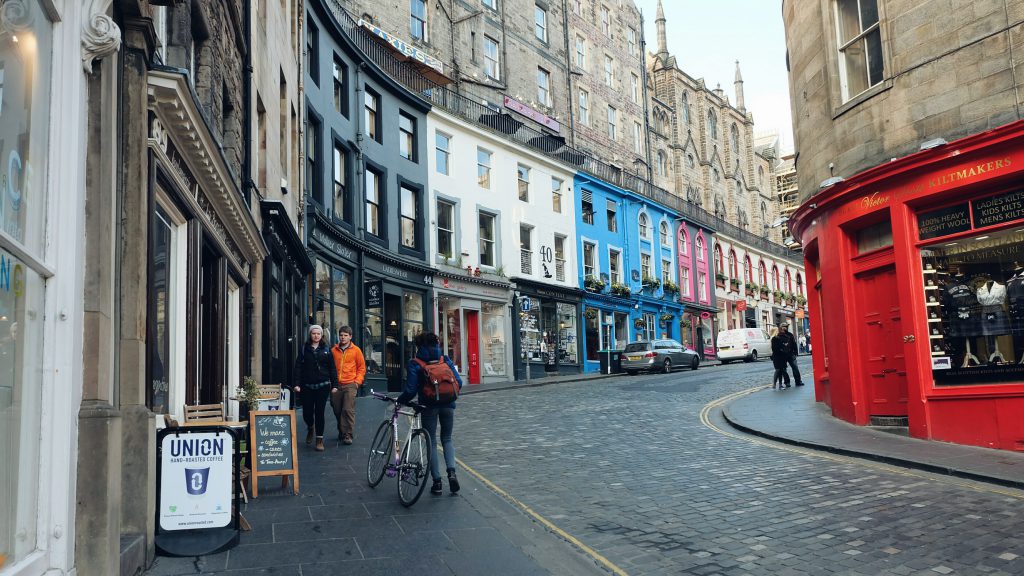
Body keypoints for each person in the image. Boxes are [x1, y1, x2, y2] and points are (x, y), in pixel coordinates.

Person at [399, 332, 463, 496]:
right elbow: (459, 382)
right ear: (436, 344)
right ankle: (452, 473)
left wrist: (401, 401)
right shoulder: (444, 359)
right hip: (448, 404)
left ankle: (437, 482)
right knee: (447, 439)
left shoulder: (415, 363)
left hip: (429, 406)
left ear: (418, 346)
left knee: (431, 442)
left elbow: (410, 390)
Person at [293, 325, 338, 452]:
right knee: (307, 412)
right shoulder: (304, 349)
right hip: (306, 386)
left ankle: (319, 440)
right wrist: (296, 384)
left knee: (319, 412)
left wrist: (335, 385)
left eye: (318, 334)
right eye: (314, 333)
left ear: (321, 335)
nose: (316, 336)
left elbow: (332, 368)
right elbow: (298, 367)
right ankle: (310, 427)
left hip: (322, 386)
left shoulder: (327, 349)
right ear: (310, 335)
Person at [330, 325, 366, 445]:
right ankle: (342, 430)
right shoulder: (333, 350)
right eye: (341, 335)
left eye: (345, 335)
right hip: (336, 385)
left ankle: (348, 434)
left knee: (348, 410)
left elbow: (361, 368)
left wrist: (357, 383)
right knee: (337, 410)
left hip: (350, 384)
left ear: (350, 337)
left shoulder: (356, 350)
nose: (343, 337)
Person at [773, 321, 804, 386]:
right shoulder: (778, 335)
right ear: (781, 327)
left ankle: (798, 381)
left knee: (795, 367)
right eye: (785, 327)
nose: (786, 328)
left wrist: (795, 352)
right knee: (784, 370)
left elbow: (794, 344)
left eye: (787, 327)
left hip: (790, 354)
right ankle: (787, 382)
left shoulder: (790, 334)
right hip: (782, 355)